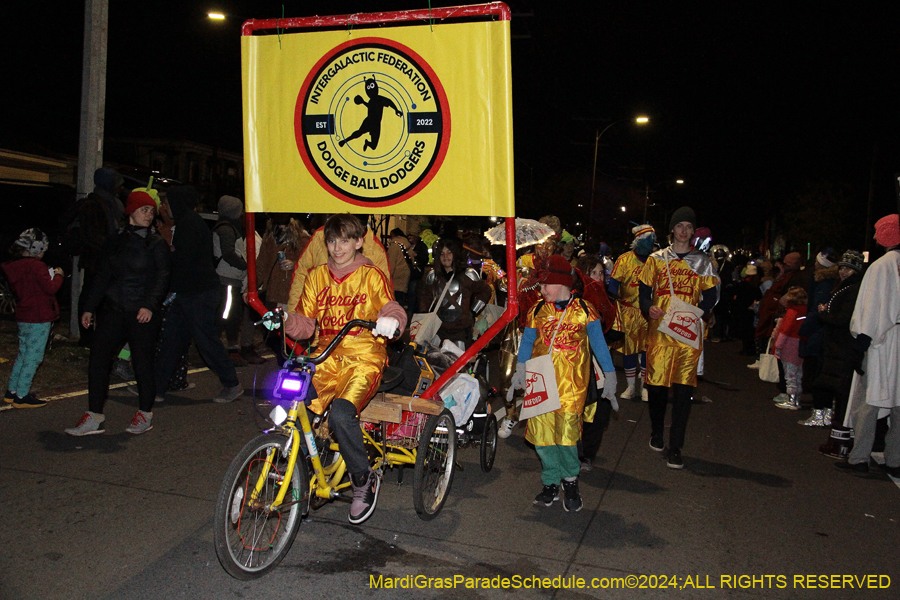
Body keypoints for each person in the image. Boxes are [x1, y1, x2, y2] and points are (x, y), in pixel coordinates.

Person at [279, 213, 407, 523]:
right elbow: (306, 324)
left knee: (340, 413)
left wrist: (392, 321)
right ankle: (298, 469)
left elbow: (391, 307)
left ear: (359, 242)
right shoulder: (316, 276)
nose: (338, 248)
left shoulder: (371, 275)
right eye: (332, 241)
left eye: (345, 241)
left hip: (364, 355)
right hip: (325, 356)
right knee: (294, 402)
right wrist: (286, 320)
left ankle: (363, 478)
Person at [511, 255, 617, 511]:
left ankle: (570, 481)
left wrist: (610, 375)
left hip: (572, 387)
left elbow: (599, 345)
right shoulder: (537, 310)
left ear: (562, 284)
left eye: (546, 285)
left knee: (567, 438)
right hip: (541, 384)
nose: (542, 290)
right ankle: (550, 482)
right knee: (542, 438)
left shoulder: (585, 311)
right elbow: (527, 342)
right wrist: (520, 369)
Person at [65, 191, 171, 435]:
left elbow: (163, 277)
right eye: (144, 210)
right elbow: (103, 276)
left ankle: (144, 413)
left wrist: (149, 305)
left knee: (142, 363)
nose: (149, 215)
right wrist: (89, 307)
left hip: (141, 312)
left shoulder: (156, 243)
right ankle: (94, 414)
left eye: (151, 211)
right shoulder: (116, 240)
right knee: (98, 359)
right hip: (114, 309)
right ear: (131, 212)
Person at [639, 206, 719, 469]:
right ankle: (657, 431)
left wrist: (697, 313)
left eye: (688, 226)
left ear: (693, 232)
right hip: (660, 333)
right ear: (672, 229)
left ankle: (676, 447)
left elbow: (711, 296)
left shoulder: (702, 262)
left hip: (687, 333)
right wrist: (648, 307)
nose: (684, 230)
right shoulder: (656, 259)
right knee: (657, 388)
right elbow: (643, 293)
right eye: (680, 226)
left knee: (684, 391)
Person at [152, 186, 244, 405]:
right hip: (189, 292)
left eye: (167, 203)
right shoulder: (188, 223)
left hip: (198, 294)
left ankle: (232, 384)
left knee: (206, 341)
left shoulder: (189, 226)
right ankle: (156, 388)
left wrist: (167, 252)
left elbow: (184, 261)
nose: (164, 207)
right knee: (172, 340)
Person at [836, 214, 900, 477]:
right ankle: (895, 459)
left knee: (867, 400)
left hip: (880, 343)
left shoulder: (881, 266)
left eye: (878, 231)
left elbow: (873, 307)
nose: (874, 237)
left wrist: (862, 342)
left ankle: (859, 457)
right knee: (899, 402)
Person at [2, 229, 64, 408]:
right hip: (39, 317)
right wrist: (58, 276)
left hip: (24, 315)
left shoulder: (15, 266)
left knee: (23, 354)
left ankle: (12, 391)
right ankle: (22, 395)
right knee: (33, 357)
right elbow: (50, 288)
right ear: (36, 248)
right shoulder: (36, 266)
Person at [811, 250, 864, 453]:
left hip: (842, 348)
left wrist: (825, 314)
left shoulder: (852, 289)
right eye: (842, 267)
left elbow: (843, 319)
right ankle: (838, 439)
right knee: (837, 392)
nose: (843, 272)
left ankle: (840, 441)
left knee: (842, 394)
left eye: (849, 269)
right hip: (836, 347)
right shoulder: (844, 287)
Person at [213, 195, 264, 365]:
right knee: (227, 316)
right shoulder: (227, 229)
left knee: (231, 315)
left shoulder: (227, 227)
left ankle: (226, 350)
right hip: (228, 279)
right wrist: (246, 266)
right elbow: (228, 253)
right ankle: (225, 351)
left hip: (231, 279)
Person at [609, 224, 656, 401]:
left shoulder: (655, 261)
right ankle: (630, 387)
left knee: (647, 350)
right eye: (646, 240)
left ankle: (644, 387)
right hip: (627, 311)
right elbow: (613, 285)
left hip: (648, 313)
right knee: (629, 350)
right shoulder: (624, 260)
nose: (649, 244)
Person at [417, 238, 491, 349]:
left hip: (461, 330)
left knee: (460, 358)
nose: (445, 256)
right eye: (442, 254)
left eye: (449, 253)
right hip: (438, 329)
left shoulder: (468, 275)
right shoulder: (433, 276)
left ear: (455, 254)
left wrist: (473, 311)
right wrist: (425, 314)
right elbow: (424, 296)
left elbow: (486, 291)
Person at [796, 249, 840, 423]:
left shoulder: (824, 283)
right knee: (822, 374)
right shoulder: (830, 281)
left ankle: (820, 414)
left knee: (818, 375)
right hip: (822, 333)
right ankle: (825, 413)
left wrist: (805, 329)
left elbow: (817, 310)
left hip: (819, 334)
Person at [772, 286, 808, 410]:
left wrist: (778, 345)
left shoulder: (792, 312)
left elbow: (785, 330)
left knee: (789, 375)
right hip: (800, 344)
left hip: (789, 345)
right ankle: (796, 399)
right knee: (798, 374)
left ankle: (791, 400)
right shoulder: (805, 311)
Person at [386, 228, 415, 309]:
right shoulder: (407, 245)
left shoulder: (394, 246)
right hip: (405, 277)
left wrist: (387, 279)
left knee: (394, 305)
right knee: (400, 302)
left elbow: (391, 264)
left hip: (395, 280)